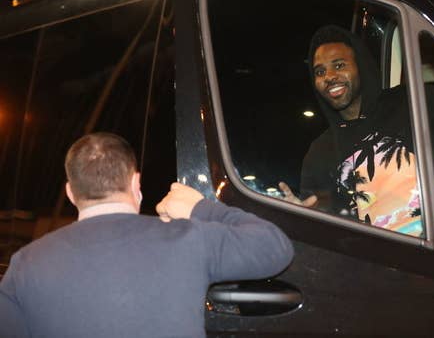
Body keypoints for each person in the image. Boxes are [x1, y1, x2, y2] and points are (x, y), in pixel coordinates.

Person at [0, 132, 293, 338]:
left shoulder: (26, 264)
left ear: (70, 193)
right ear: (136, 183)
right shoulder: (187, 239)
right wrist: (200, 208)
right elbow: (274, 247)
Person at [280, 25, 434, 245]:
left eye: (339, 65)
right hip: (386, 277)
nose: (329, 76)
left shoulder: (416, 104)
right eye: (320, 72)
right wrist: (299, 220)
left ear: (360, 65)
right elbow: (326, 233)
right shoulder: (320, 152)